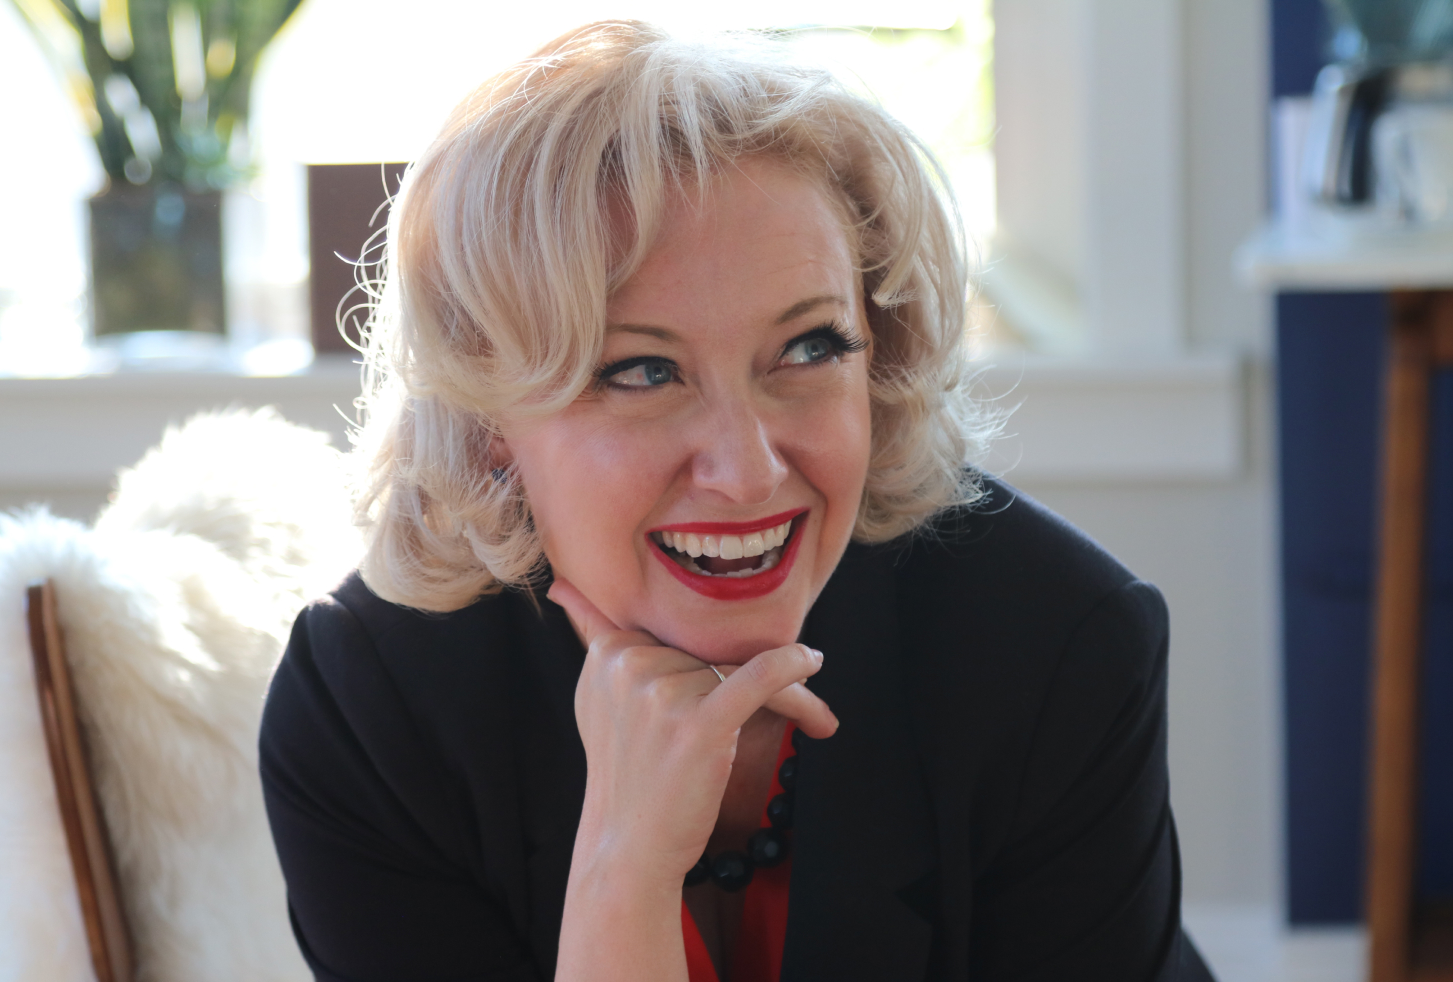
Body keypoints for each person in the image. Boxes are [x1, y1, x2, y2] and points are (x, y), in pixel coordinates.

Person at [259, 20, 1215, 982]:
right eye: (642, 370)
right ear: (487, 420)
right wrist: (623, 871)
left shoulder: (1056, 643)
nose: (748, 471)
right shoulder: (370, 707)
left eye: (808, 348)